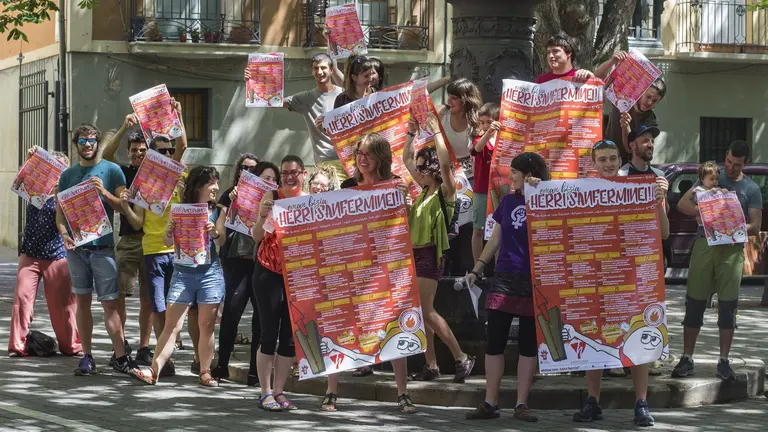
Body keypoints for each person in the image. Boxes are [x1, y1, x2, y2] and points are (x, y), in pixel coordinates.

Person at [572, 139, 669, 427]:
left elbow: (663, 233)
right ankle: (593, 401)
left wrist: (660, 201)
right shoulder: (584, 192)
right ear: (594, 164)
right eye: (602, 159)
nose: (608, 164)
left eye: (612, 158)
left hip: (634, 278)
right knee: (595, 337)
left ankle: (641, 402)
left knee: (639, 338)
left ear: (619, 158)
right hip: (596, 277)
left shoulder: (641, 189)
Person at [321, 133, 413, 413]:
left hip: (387, 269)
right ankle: (331, 392)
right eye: (359, 153)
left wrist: (406, 207)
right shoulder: (348, 186)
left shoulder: (395, 185)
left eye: (368, 153)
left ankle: (403, 394)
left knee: (394, 326)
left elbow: (404, 226)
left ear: (381, 158)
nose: (362, 158)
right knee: (340, 326)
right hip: (353, 267)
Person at [464, 152, 550, 422]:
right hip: (503, 277)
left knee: (528, 345)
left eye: (514, 172)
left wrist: (542, 191)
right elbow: (496, 238)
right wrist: (478, 267)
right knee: (494, 342)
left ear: (529, 174)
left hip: (534, 280)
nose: (510, 176)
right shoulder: (508, 201)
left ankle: (521, 404)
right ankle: (490, 403)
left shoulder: (547, 199)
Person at [103, 103, 188, 366]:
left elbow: (182, 146)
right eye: (136, 151)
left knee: (151, 301)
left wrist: (178, 115)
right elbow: (106, 155)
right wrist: (124, 128)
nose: (140, 154)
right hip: (133, 240)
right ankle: (122, 343)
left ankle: (146, 347)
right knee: (122, 296)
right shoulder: (129, 174)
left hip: (161, 245)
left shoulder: (169, 172)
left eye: (144, 150)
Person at [673, 140, 762, 380]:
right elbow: (683, 204)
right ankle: (687, 357)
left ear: (746, 164)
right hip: (705, 245)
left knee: (727, 307)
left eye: (736, 165)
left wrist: (735, 225)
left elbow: (756, 225)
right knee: (694, 303)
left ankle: (724, 361)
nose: (730, 168)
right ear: (726, 155)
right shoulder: (712, 178)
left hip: (732, 250)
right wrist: (702, 213)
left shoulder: (750, 189)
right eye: (729, 161)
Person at [133, 165, 227, 386]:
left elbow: (221, 240)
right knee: (171, 325)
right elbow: (168, 243)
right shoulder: (179, 209)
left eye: (216, 182)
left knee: (206, 326)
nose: (215, 187)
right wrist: (169, 233)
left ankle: (205, 372)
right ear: (198, 186)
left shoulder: (218, 210)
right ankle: (153, 370)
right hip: (183, 273)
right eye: (210, 183)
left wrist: (214, 232)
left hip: (210, 273)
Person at [56, 124, 136, 376]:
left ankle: (121, 357)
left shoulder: (112, 171)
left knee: (110, 304)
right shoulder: (67, 176)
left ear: (97, 143)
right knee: (82, 302)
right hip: (77, 250)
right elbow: (60, 215)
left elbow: (125, 208)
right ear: (76, 145)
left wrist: (104, 192)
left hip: (103, 249)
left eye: (91, 140)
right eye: (82, 141)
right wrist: (65, 235)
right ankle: (87, 356)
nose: (87, 145)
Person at [404, 114, 476, 384]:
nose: (418, 170)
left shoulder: (445, 192)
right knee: (425, 310)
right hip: (415, 254)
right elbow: (406, 160)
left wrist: (436, 133)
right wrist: (411, 134)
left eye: (424, 167)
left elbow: (446, 164)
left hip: (431, 254)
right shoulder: (422, 191)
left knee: (426, 311)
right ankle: (431, 364)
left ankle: (461, 357)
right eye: (420, 167)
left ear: (432, 169)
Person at [119, 132, 192, 378]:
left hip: (181, 252)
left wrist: (187, 194)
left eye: (170, 151)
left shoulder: (183, 175)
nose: (169, 155)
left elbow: (198, 210)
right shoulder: (143, 182)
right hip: (153, 251)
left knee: (177, 308)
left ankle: (188, 360)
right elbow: (138, 223)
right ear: (152, 155)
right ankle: (164, 361)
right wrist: (126, 205)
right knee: (158, 308)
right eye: (162, 152)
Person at [212, 157, 280, 386]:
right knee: (231, 312)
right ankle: (221, 365)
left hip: (263, 264)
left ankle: (254, 372)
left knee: (261, 320)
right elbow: (221, 231)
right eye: (265, 178)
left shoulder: (279, 200)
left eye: (273, 179)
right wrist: (231, 204)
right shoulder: (234, 194)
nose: (269, 182)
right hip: (238, 261)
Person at [9, 147, 82, 357]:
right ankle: (17, 345)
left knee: (63, 305)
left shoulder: (67, 196)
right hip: (30, 253)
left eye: (59, 170)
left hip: (57, 256)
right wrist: (30, 159)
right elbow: (21, 179)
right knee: (22, 298)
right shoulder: (35, 190)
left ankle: (70, 345)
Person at [251, 155, 307, 412]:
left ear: (303, 174)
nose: (288, 176)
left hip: (297, 275)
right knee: (268, 332)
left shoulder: (311, 202)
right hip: (268, 272)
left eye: (293, 172)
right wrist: (263, 215)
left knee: (288, 337)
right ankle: (264, 392)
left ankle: (279, 390)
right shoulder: (271, 198)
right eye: (284, 172)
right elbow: (256, 236)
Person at [245, 53, 346, 182]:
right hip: (327, 162)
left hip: (349, 158)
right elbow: (274, 101)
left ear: (331, 70)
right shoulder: (306, 98)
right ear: (312, 71)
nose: (319, 72)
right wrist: (252, 83)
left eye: (323, 68)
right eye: (315, 68)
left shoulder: (344, 93)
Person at [595, 51, 666, 164]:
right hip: (608, 158)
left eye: (654, 101)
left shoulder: (651, 121)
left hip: (631, 165)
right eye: (648, 96)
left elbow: (630, 148)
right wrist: (612, 61)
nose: (649, 102)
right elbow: (597, 78)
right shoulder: (623, 97)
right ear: (641, 91)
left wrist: (625, 126)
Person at [471, 103, 501, 263]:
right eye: (482, 122)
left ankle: (498, 269)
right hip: (481, 190)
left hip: (499, 191)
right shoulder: (480, 138)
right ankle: (477, 268)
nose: (485, 125)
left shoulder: (503, 139)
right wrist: (488, 132)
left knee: (498, 231)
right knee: (478, 230)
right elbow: (476, 148)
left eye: (489, 122)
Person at [437, 78, 482, 176]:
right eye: (448, 96)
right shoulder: (442, 112)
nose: (449, 101)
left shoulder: (479, 120)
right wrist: (446, 79)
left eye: (454, 98)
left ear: (466, 100)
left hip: (468, 179)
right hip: (441, 176)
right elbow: (418, 96)